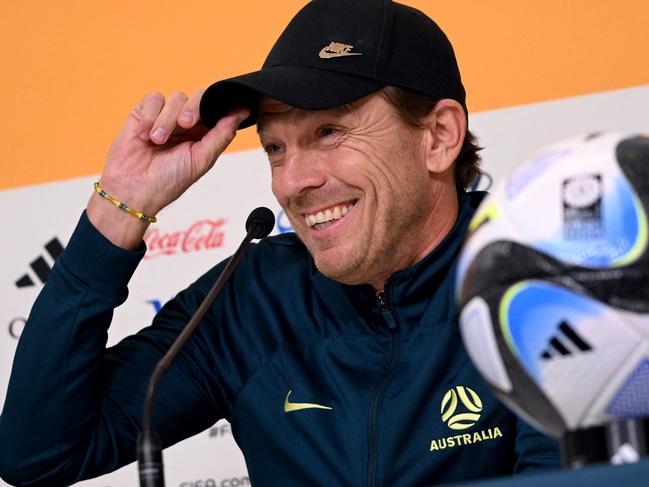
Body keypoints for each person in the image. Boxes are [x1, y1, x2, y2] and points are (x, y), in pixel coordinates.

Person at [0, 0, 560, 486]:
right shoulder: (252, 297)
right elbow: (38, 455)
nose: (292, 182)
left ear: (439, 137)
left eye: (329, 132)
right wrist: (118, 206)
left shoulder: (552, 281)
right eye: (275, 148)